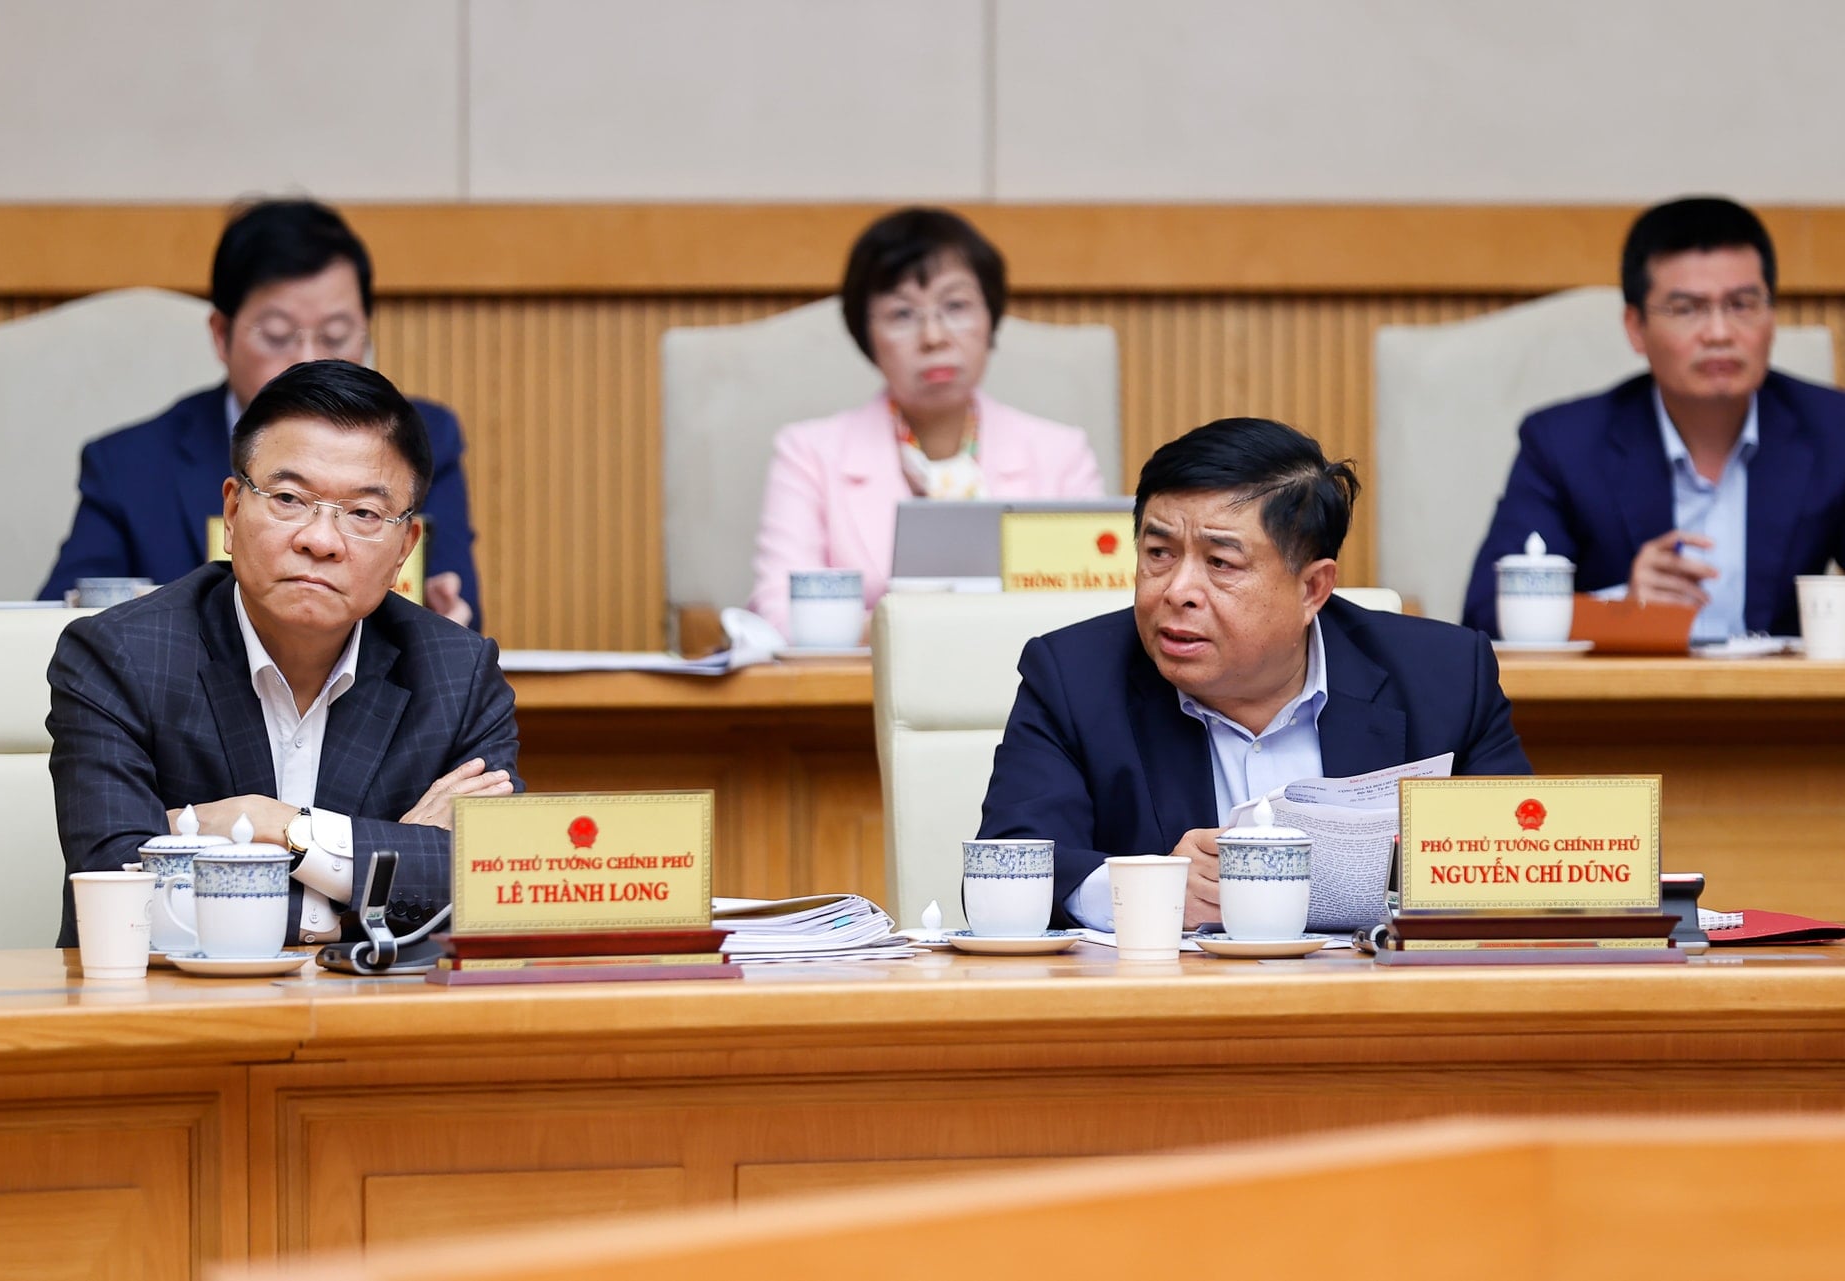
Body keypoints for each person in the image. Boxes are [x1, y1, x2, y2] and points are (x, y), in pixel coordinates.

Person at [978, 418, 1531, 930]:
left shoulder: (1444, 676)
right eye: (1159, 553)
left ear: (1312, 588)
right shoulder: (1074, 677)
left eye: (1221, 563)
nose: (1177, 591)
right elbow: (1012, 867)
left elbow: (1522, 863)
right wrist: (1148, 890)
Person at [48, 360, 520, 949]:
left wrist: (278, 826)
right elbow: (121, 892)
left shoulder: (458, 674)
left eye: (363, 513)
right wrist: (368, 885)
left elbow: (488, 880)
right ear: (233, 512)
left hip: (376, 1005)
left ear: (405, 547)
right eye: (290, 498)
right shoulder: (117, 657)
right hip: (167, 1002)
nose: (319, 540)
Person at [39, 198, 484, 628]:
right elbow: (63, 625)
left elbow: (456, 612)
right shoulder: (129, 464)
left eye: (335, 336)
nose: (308, 359)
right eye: (277, 335)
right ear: (221, 335)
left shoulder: (421, 440)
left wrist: (444, 621)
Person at [1463, 196, 1845, 640]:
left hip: (1784, 687)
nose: (1719, 333)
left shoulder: (1833, 429)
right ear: (1635, 327)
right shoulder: (1565, 445)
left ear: (1772, 317)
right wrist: (1623, 609)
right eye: (1687, 309)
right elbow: (1485, 615)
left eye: (1741, 304)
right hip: (1630, 687)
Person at [748, 206, 1106, 638]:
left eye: (955, 306)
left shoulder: (1061, 453)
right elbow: (779, 612)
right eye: (902, 314)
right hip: (864, 680)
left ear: (991, 318)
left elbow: (1098, 609)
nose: (934, 337)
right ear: (866, 336)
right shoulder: (808, 453)